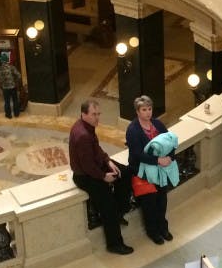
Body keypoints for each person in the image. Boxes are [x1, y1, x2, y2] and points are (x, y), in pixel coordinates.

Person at [70, 100, 134, 255]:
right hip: (85, 176)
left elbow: (96, 149)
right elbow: (87, 166)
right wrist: (104, 176)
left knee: (125, 172)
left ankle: (120, 212)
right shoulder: (83, 135)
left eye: (98, 114)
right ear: (84, 114)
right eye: (94, 114)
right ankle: (114, 243)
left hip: (95, 166)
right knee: (108, 205)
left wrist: (108, 161)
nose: (97, 118)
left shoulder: (86, 127)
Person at [126, 96, 176, 245]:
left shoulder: (158, 124)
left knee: (162, 201)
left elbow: (170, 142)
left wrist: (170, 158)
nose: (148, 113)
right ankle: (153, 232)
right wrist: (158, 160)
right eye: (144, 110)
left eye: (149, 109)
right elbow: (137, 154)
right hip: (143, 173)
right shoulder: (133, 129)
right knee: (149, 204)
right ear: (137, 111)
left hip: (161, 171)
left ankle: (163, 228)